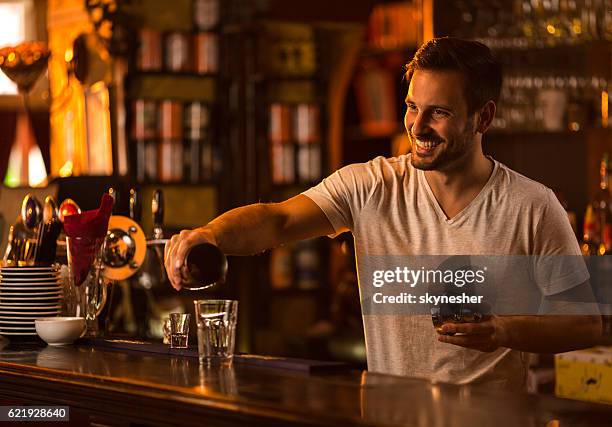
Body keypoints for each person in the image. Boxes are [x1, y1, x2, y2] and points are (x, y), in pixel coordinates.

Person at [165, 37, 601, 389]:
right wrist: (211, 234)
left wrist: (505, 331)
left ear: (482, 117)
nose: (417, 125)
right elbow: (277, 220)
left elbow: (584, 325)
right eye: (412, 107)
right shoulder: (370, 185)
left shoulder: (532, 205)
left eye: (439, 113)